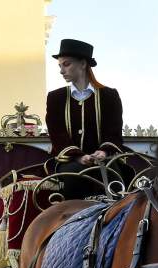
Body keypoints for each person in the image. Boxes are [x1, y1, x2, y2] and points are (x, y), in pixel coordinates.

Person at [45, 39, 126, 198]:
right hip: (70, 161)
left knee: (112, 177)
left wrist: (103, 151)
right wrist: (79, 157)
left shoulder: (109, 95)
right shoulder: (56, 97)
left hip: (105, 160)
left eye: (66, 64)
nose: (62, 71)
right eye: (60, 66)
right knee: (74, 176)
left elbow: (114, 131)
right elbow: (57, 134)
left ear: (83, 64)